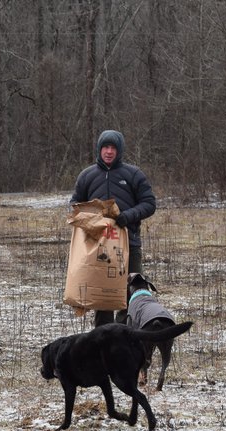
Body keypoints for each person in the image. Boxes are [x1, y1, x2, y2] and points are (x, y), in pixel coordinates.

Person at [71, 130, 156, 327]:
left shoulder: (133, 174)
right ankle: (104, 338)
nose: (109, 152)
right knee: (102, 292)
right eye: (105, 147)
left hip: (129, 244)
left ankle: (129, 334)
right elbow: (75, 204)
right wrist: (90, 218)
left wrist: (129, 216)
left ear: (120, 151)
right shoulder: (87, 175)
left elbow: (149, 204)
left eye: (113, 148)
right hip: (97, 246)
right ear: (99, 149)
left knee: (133, 291)